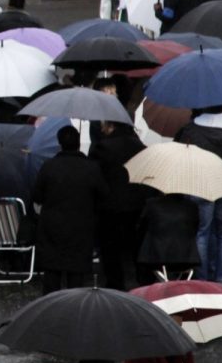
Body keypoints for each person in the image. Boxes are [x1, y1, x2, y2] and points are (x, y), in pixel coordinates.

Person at [31, 125, 105, 292]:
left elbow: (37, 195)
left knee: (52, 272)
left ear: (59, 143)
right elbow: (103, 195)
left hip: (52, 226)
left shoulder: (49, 166)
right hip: (81, 226)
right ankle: (75, 310)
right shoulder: (91, 168)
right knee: (76, 274)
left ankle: (50, 309)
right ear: (79, 143)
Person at [177, 108, 222, 286]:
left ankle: (202, 279)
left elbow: (183, 152)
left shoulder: (192, 128)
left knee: (202, 232)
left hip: (201, 182)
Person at [90, 120, 145, 290]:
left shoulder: (102, 148)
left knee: (110, 248)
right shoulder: (140, 147)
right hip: (136, 204)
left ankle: (116, 283)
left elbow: (95, 176)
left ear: (112, 126)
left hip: (110, 205)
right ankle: (142, 280)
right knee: (136, 245)